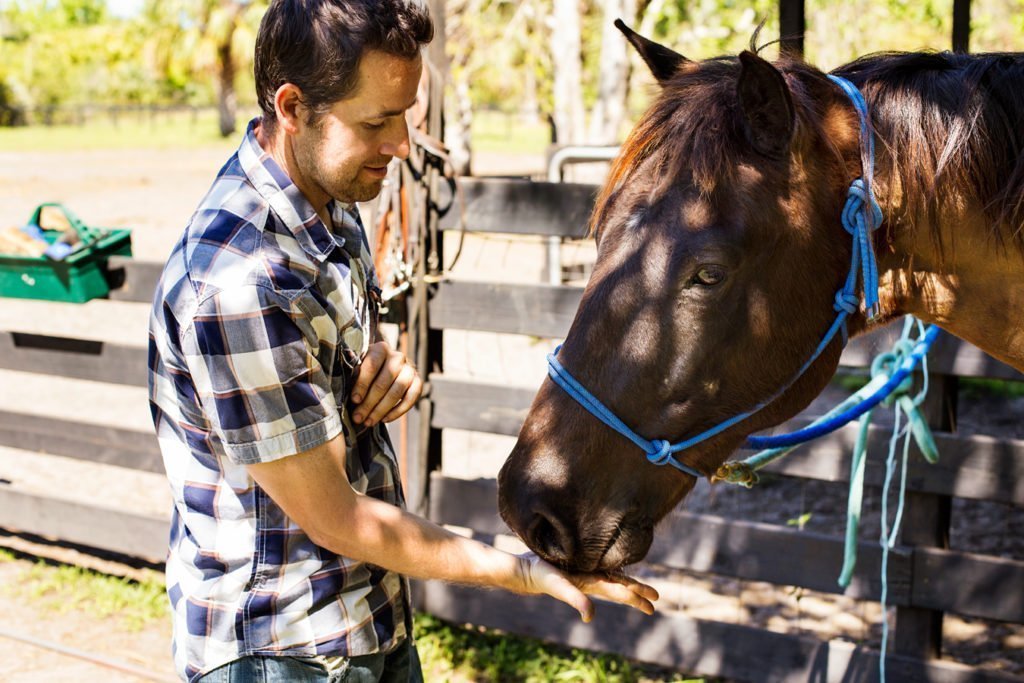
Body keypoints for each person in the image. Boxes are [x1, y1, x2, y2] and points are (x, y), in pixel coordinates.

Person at [148, 1, 658, 681]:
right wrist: (523, 573)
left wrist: (384, 363)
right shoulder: (239, 283)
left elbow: (347, 355)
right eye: (376, 122)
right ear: (293, 107)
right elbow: (337, 518)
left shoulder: (331, 207)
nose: (401, 146)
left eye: (406, 116)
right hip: (284, 649)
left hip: (369, 622)